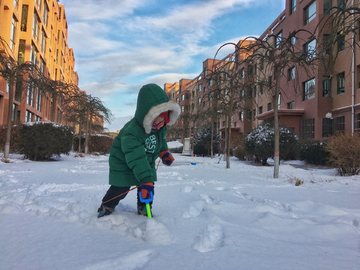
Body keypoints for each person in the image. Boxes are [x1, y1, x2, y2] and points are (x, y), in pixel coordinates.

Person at [98, 83, 180, 218]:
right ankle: (107, 205)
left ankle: (144, 207)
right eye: (157, 121)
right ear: (147, 114)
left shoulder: (159, 127)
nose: (160, 125)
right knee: (121, 188)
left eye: (164, 121)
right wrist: (145, 179)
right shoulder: (132, 132)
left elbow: (160, 140)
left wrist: (164, 152)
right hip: (123, 162)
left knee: (148, 185)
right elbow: (136, 157)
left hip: (145, 161)